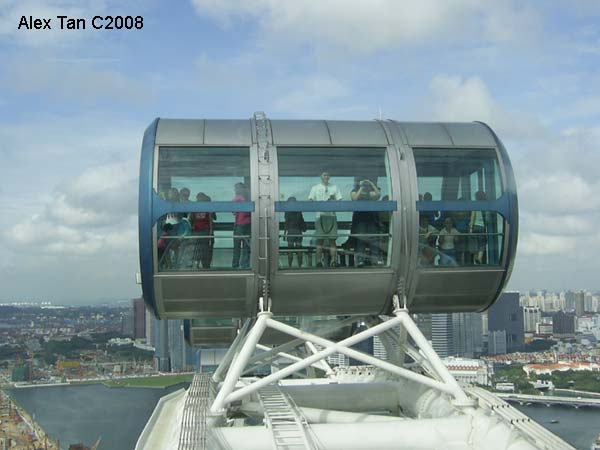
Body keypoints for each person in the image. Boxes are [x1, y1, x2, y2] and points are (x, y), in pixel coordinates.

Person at [308, 172, 342, 268]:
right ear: (320, 176)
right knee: (320, 240)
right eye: (324, 175)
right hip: (320, 216)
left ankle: (333, 261)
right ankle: (318, 261)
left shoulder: (335, 187)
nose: (326, 177)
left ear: (329, 176)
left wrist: (332, 201)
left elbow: (339, 201)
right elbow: (310, 200)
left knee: (332, 240)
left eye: (327, 175)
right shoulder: (315, 188)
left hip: (331, 216)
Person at [350, 177, 381, 267]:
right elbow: (355, 198)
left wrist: (371, 184)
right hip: (360, 220)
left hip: (371, 219)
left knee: (374, 240)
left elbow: (378, 195)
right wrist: (361, 187)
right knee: (361, 241)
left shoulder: (370, 192)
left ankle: (375, 260)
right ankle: (360, 260)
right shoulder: (354, 190)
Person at [191, 193, 216, 269]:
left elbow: (212, 218)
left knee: (200, 248)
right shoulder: (205, 207)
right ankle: (204, 264)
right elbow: (212, 219)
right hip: (203, 230)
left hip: (201, 230)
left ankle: (199, 264)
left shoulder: (195, 207)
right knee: (203, 248)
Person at [284, 197, 307, 268]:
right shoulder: (299, 211)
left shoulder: (287, 211)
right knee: (299, 249)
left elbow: (286, 223)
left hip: (291, 232)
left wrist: (284, 234)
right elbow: (302, 221)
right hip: (298, 232)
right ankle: (299, 265)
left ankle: (290, 266)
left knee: (290, 250)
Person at [232, 183, 251, 269]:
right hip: (248, 224)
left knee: (237, 246)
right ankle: (245, 265)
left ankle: (235, 265)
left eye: (236, 188)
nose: (235, 190)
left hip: (239, 224)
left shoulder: (237, 198)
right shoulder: (248, 198)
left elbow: (233, 211)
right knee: (246, 246)